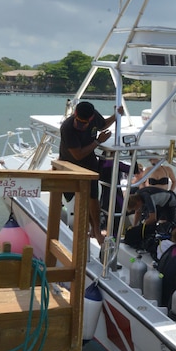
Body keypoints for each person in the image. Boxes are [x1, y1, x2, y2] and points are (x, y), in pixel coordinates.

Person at [58, 100, 123, 244]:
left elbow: (103, 124)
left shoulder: (94, 117)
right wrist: (98, 142)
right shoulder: (67, 128)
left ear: (91, 118)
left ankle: (96, 230)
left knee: (93, 198)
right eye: (78, 121)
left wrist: (116, 115)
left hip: (89, 164)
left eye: (85, 123)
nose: (81, 125)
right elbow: (78, 155)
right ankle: (88, 228)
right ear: (75, 114)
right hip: (71, 164)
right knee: (81, 197)